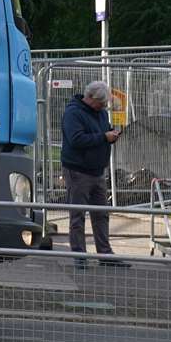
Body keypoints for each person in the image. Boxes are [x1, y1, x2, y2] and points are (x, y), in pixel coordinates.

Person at [59, 80, 125, 268]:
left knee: (101, 214)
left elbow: (103, 130)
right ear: (91, 98)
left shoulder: (101, 113)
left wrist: (112, 133)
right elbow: (76, 139)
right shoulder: (73, 113)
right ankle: (79, 256)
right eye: (102, 103)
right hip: (78, 170)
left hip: (97, 170)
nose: (104, 107)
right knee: (77, 215)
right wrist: (104, 137)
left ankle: (105, 255)